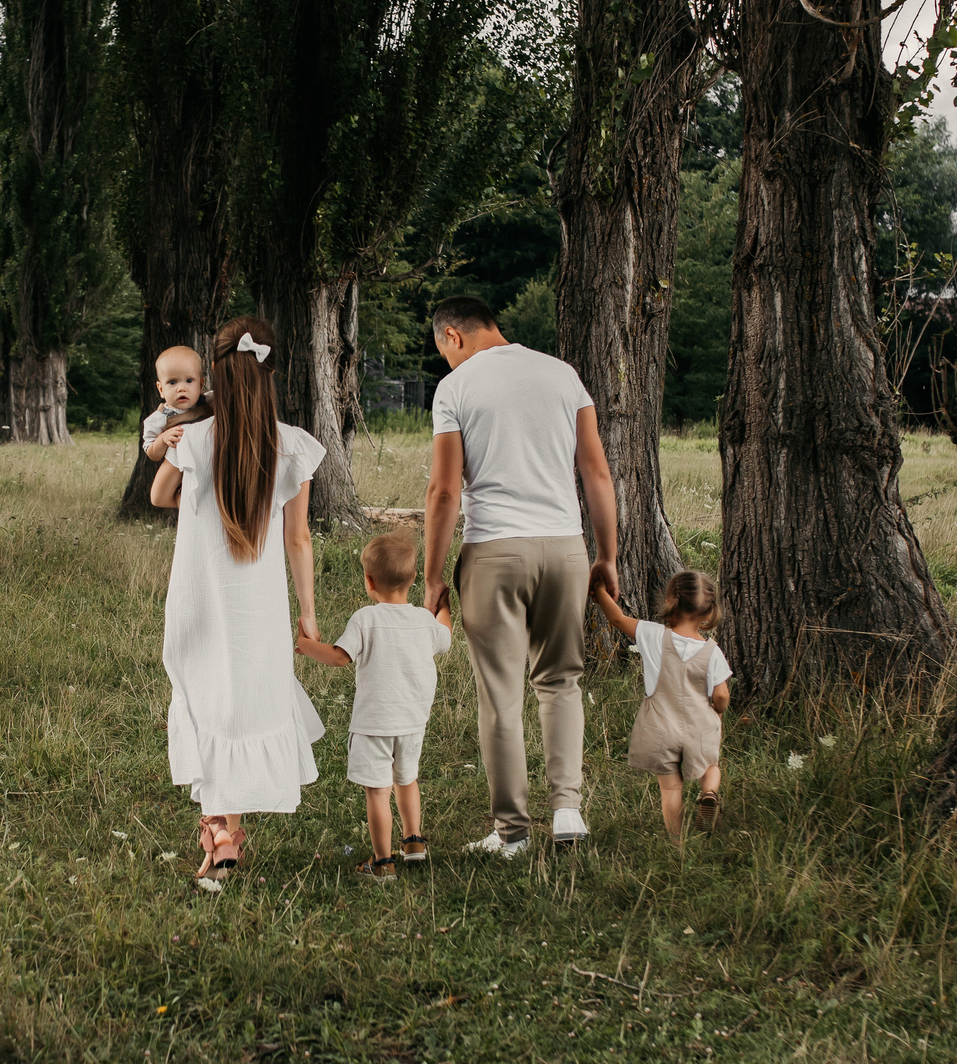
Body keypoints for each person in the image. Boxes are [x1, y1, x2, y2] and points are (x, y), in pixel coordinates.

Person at [421, 294, 619, 860]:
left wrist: (433, 576)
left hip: (495, 552)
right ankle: (567, 812)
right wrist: (605, 554)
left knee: (501, 697)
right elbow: (596, 470)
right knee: (561, 681)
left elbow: (443, 491)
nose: (447, 363)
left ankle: (511, 834)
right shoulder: (563, 374)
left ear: (453, 336)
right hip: (565, 549)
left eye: (444, 352)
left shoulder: (455, 389)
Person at [151, 316, 326, 888]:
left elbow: (159, 497)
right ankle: (226, 831)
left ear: (215, 376)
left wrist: (205, 503)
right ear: (269, 374)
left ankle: (221, 833)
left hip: (200, 594)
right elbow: (298, 538)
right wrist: (307, 612)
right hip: (259, 604)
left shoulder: (195, 439)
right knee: (245, 700)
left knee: (207, 699)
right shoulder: (291, 444)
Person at [295, 531, 453, 880]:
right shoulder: (424, 621)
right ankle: (413, 842)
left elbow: (339, 658)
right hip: (413, 722)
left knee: (378, 791)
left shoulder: (365, 619)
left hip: (374, 724)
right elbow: (446, 637)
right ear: (413, 579)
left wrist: (304, 645)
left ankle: (383, 862)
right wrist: (443, 608)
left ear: (369, 581)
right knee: (407, 779)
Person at [593, 570, 732, 840]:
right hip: (700, 727)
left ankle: (677, 844)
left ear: (671, 600)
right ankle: (709, 793)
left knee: (670, 789)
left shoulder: (653, 635)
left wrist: (599, 589)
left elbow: (617, 619)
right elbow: (722, 695)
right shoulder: (712, 651)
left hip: (660, 727)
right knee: (710, 767)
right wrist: (717, 710)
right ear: (708, 612)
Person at [140, 343, 212, 463]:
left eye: (189, 381)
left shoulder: (209, 401)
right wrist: (163, 439)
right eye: (172, 382)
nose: (181, 388)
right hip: (181, 472)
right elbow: (152, 454)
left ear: (200, 384)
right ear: (161, 389)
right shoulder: (159, 419)